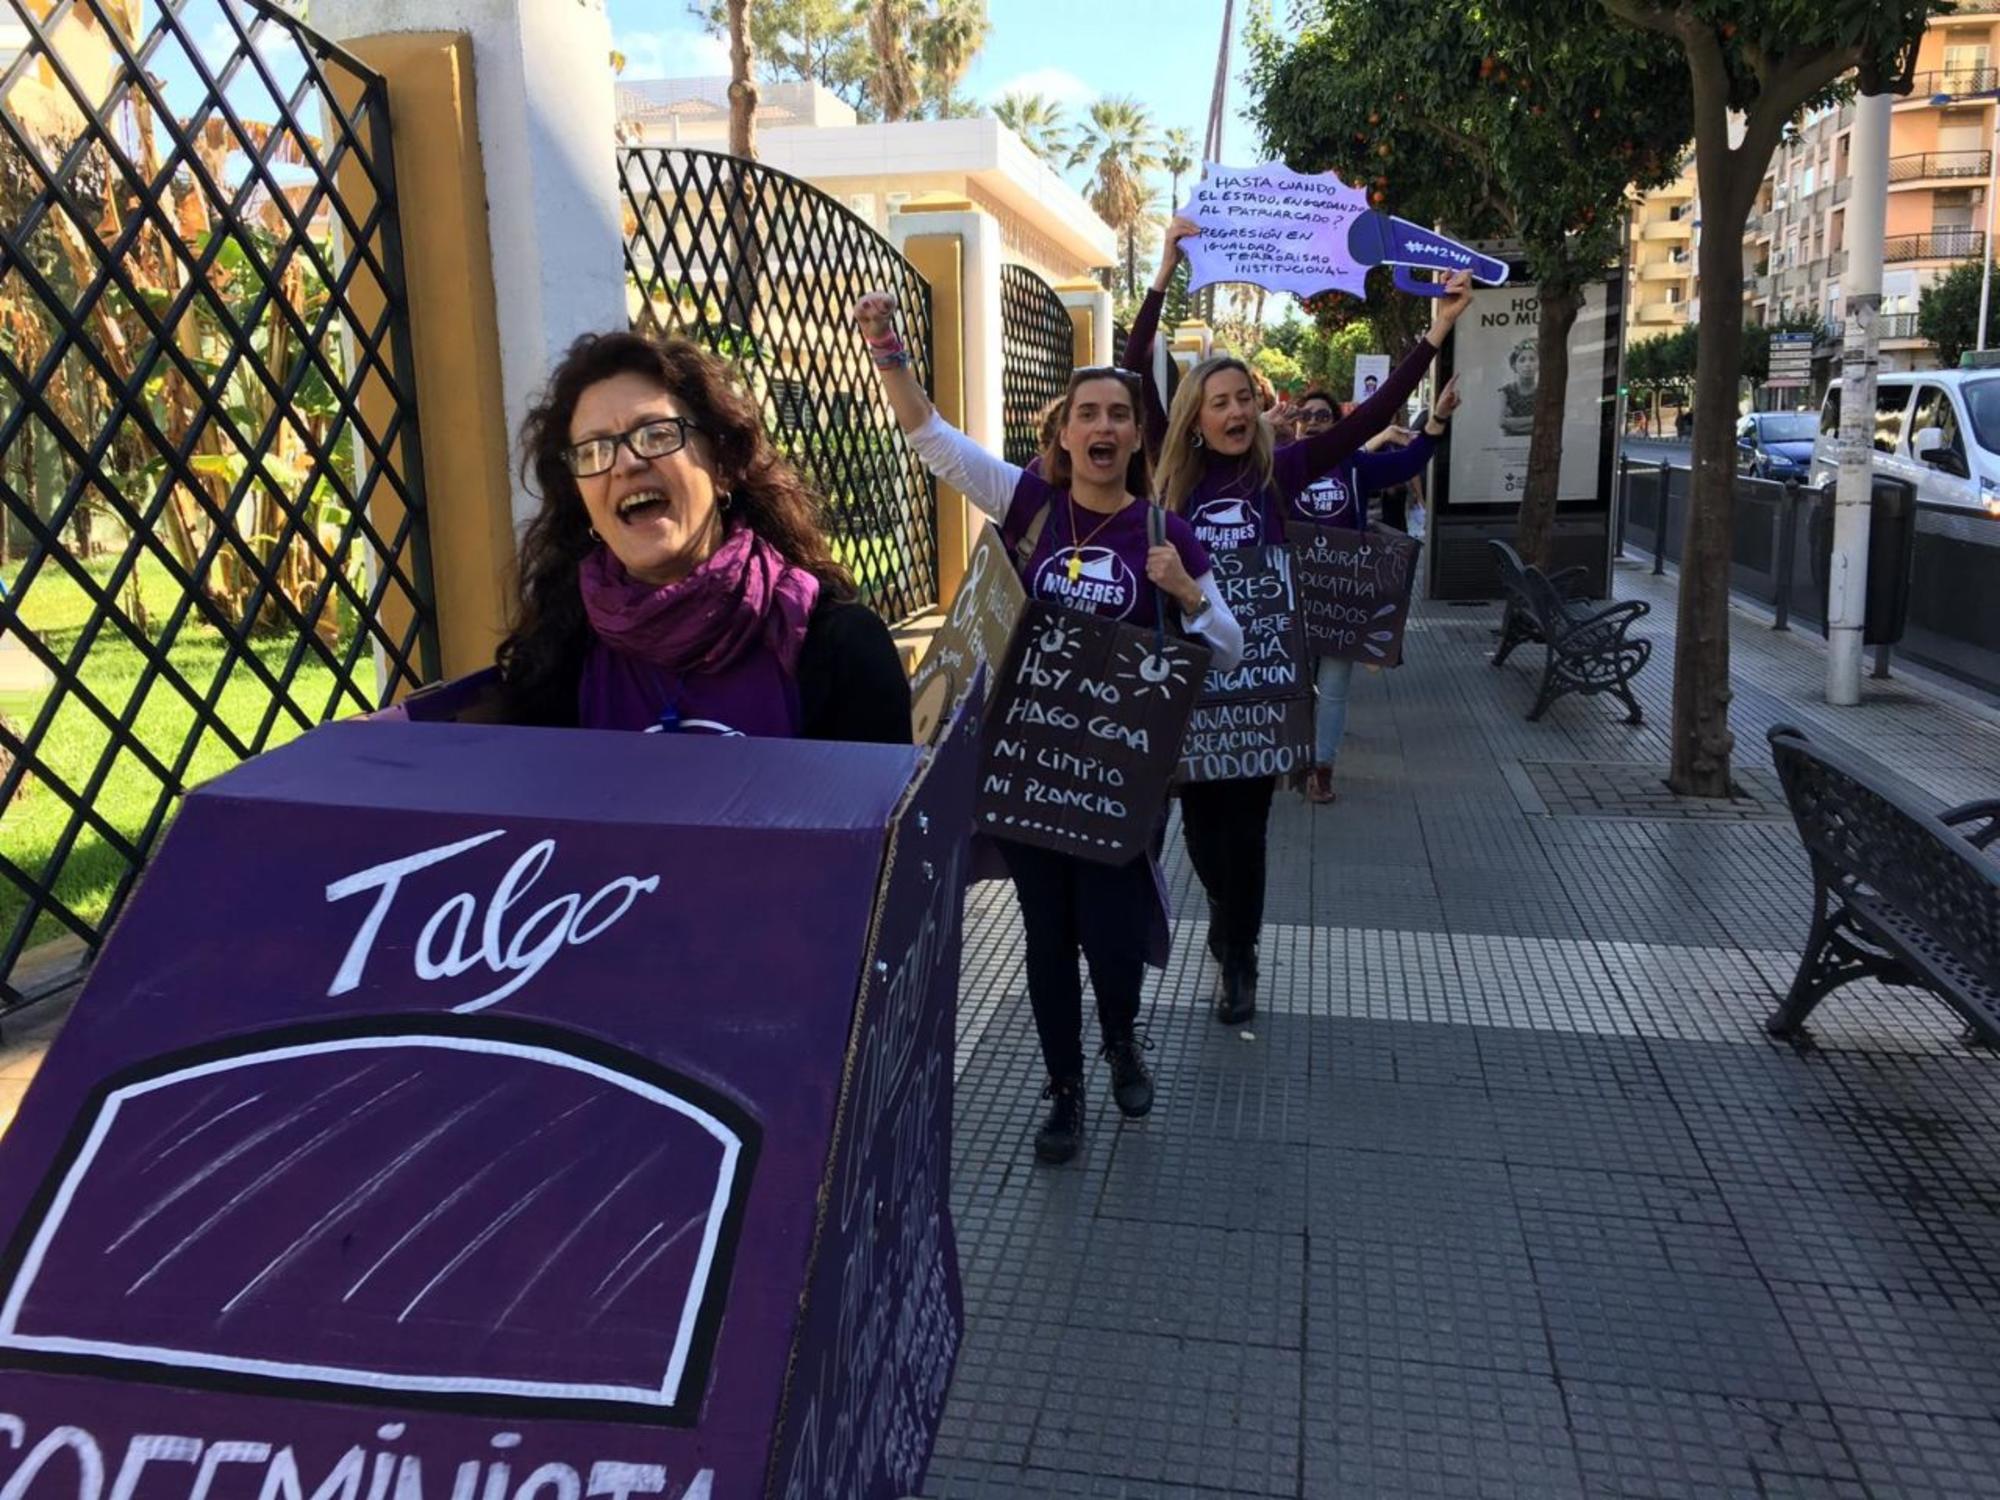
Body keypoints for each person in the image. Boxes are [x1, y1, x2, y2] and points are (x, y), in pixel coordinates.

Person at [854, 290, 1245, 1165]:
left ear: (1138, 437)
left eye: (1118, 415)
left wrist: (1185, 593)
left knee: (1109, 935)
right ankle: (1064, 1091)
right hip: (1027, 774)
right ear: (1065, 433)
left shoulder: (1166, 531)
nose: (1102, 427)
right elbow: (932, 440)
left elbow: (1227, 649)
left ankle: (1120, 1042)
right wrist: (886, 349)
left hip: (1118, 783)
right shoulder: (1029, 505)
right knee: (1045, 938)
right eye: (1086, 415)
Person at [1136, 222, 1475, 1026]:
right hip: (1187, 683)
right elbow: (1133, 364)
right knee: (1200, 835)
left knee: (1246, 829)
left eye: (1244, 400)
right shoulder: (1171, 481)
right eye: (1217, 401)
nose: (1233, 410)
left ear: (1258, 413)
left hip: (1259, 681)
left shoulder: (1279, 471)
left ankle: (1239, 953)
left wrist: (1437, 332)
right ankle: (1225, 921)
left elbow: (1368, 421)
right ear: (1191, 418)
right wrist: (1162, 273)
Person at [497, 330, 912, 744]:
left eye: (657, 434)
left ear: (723, 465)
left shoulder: (839, 647)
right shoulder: (553, 661)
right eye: (592, 450)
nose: (624, 463)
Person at [1291, 379, 1462, 805]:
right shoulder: (1277, 467)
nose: (1313, 423)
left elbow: (1409, 461)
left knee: (1332, 690)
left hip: (1340, 602)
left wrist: (1437, 417)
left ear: (1336, 426)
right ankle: (1293, 758)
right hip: (1290, 601)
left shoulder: (1354, 467)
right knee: (1293, 686)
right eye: (1305, 416)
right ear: (1293, 425)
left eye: (1322, 416)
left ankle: (1322, 768)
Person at [1499, 338, 1538, 437]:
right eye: (1522, 360)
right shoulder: (1505, 392)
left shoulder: (1544, 391)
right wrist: (1536, 419)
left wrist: (1513, 423)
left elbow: (1548, 422)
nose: (1527, 364)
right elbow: (1502, 422)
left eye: (1532, 359)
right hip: (1510, 446)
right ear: (1514, 366)